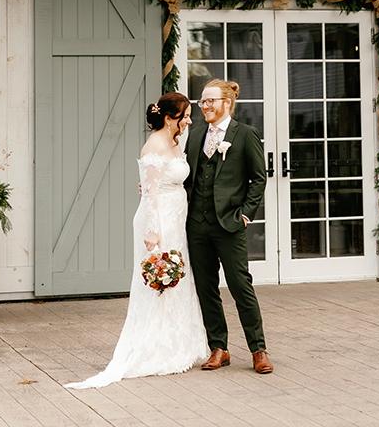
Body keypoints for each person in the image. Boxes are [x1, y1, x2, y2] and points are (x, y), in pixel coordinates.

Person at [65, 92, 209, 389]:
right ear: (169, 118)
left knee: (178, 280)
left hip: (176, 218)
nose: (189, 121)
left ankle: (177, 345)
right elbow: (150, 194)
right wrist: (152, 231)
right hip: (159, 220)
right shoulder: (153, 146)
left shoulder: (175, 141)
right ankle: (154, 349)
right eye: (185, 116)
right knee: (160, 279)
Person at [185, 79, 273, 374]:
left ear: (227, 102)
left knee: (239, 285)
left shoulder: (245, 134)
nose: (205, 106)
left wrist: (246, 214)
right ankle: (218, 348)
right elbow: (188, 178)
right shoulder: (195, 135)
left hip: (229, 224)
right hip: (197, 225)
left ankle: (258, 349)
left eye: (210, 100)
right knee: (206, 287)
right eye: (202, 101)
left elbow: (258, 178)